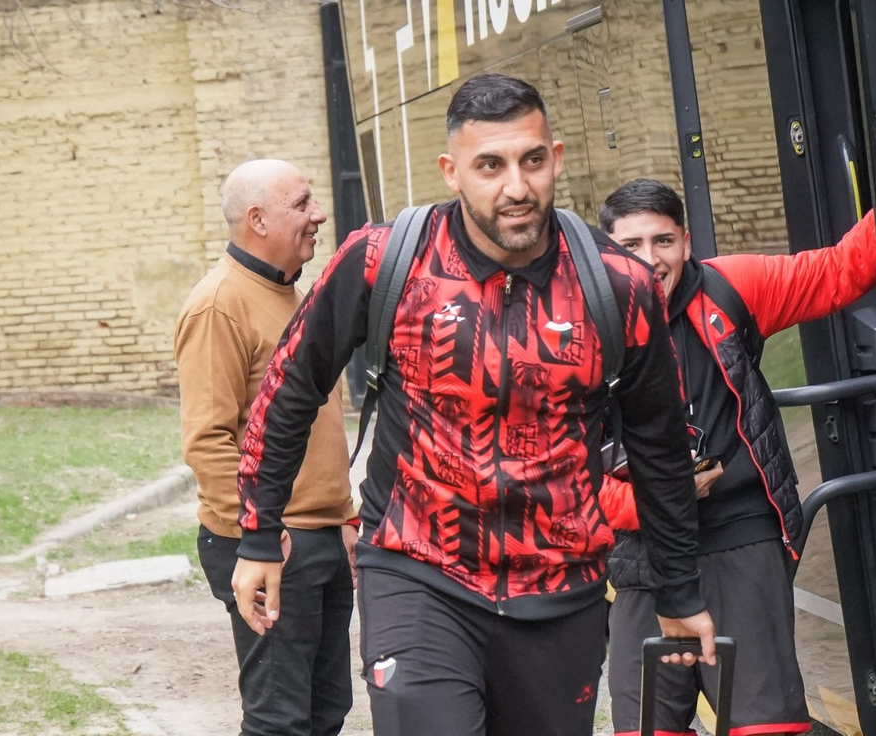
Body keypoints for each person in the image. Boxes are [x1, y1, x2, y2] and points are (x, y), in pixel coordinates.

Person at [229, 74, 717, 736]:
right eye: (491, 165)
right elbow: (289, 387)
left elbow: (659, 445)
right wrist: (259, 535)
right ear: (452, 171)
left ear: (557, 159)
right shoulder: (383, 262)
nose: (516, 187)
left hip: (562, 594)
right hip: (417, 570)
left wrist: (680, 591)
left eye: (532, 161)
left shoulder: (618, 286)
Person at [599, 178, 876, 736]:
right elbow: (563, 472)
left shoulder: (728, 289)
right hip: (643, 558)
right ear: (605, 250)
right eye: (630, 245)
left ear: (685, 242)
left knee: (765, 729)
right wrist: (655, 499)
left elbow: (841, 270)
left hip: (741, 538)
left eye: (662, 241)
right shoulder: (578, 329)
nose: (650, 260)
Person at [174, 159, 359, 736]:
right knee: (280, 721)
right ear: (257, 219)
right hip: (272, 545)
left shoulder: (294, 294)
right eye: (302, 204)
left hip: (322, 537)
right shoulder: (218, 305)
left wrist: (343, 515)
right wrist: (257, 536)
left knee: (327, 712)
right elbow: (209, 439)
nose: (319, 215)